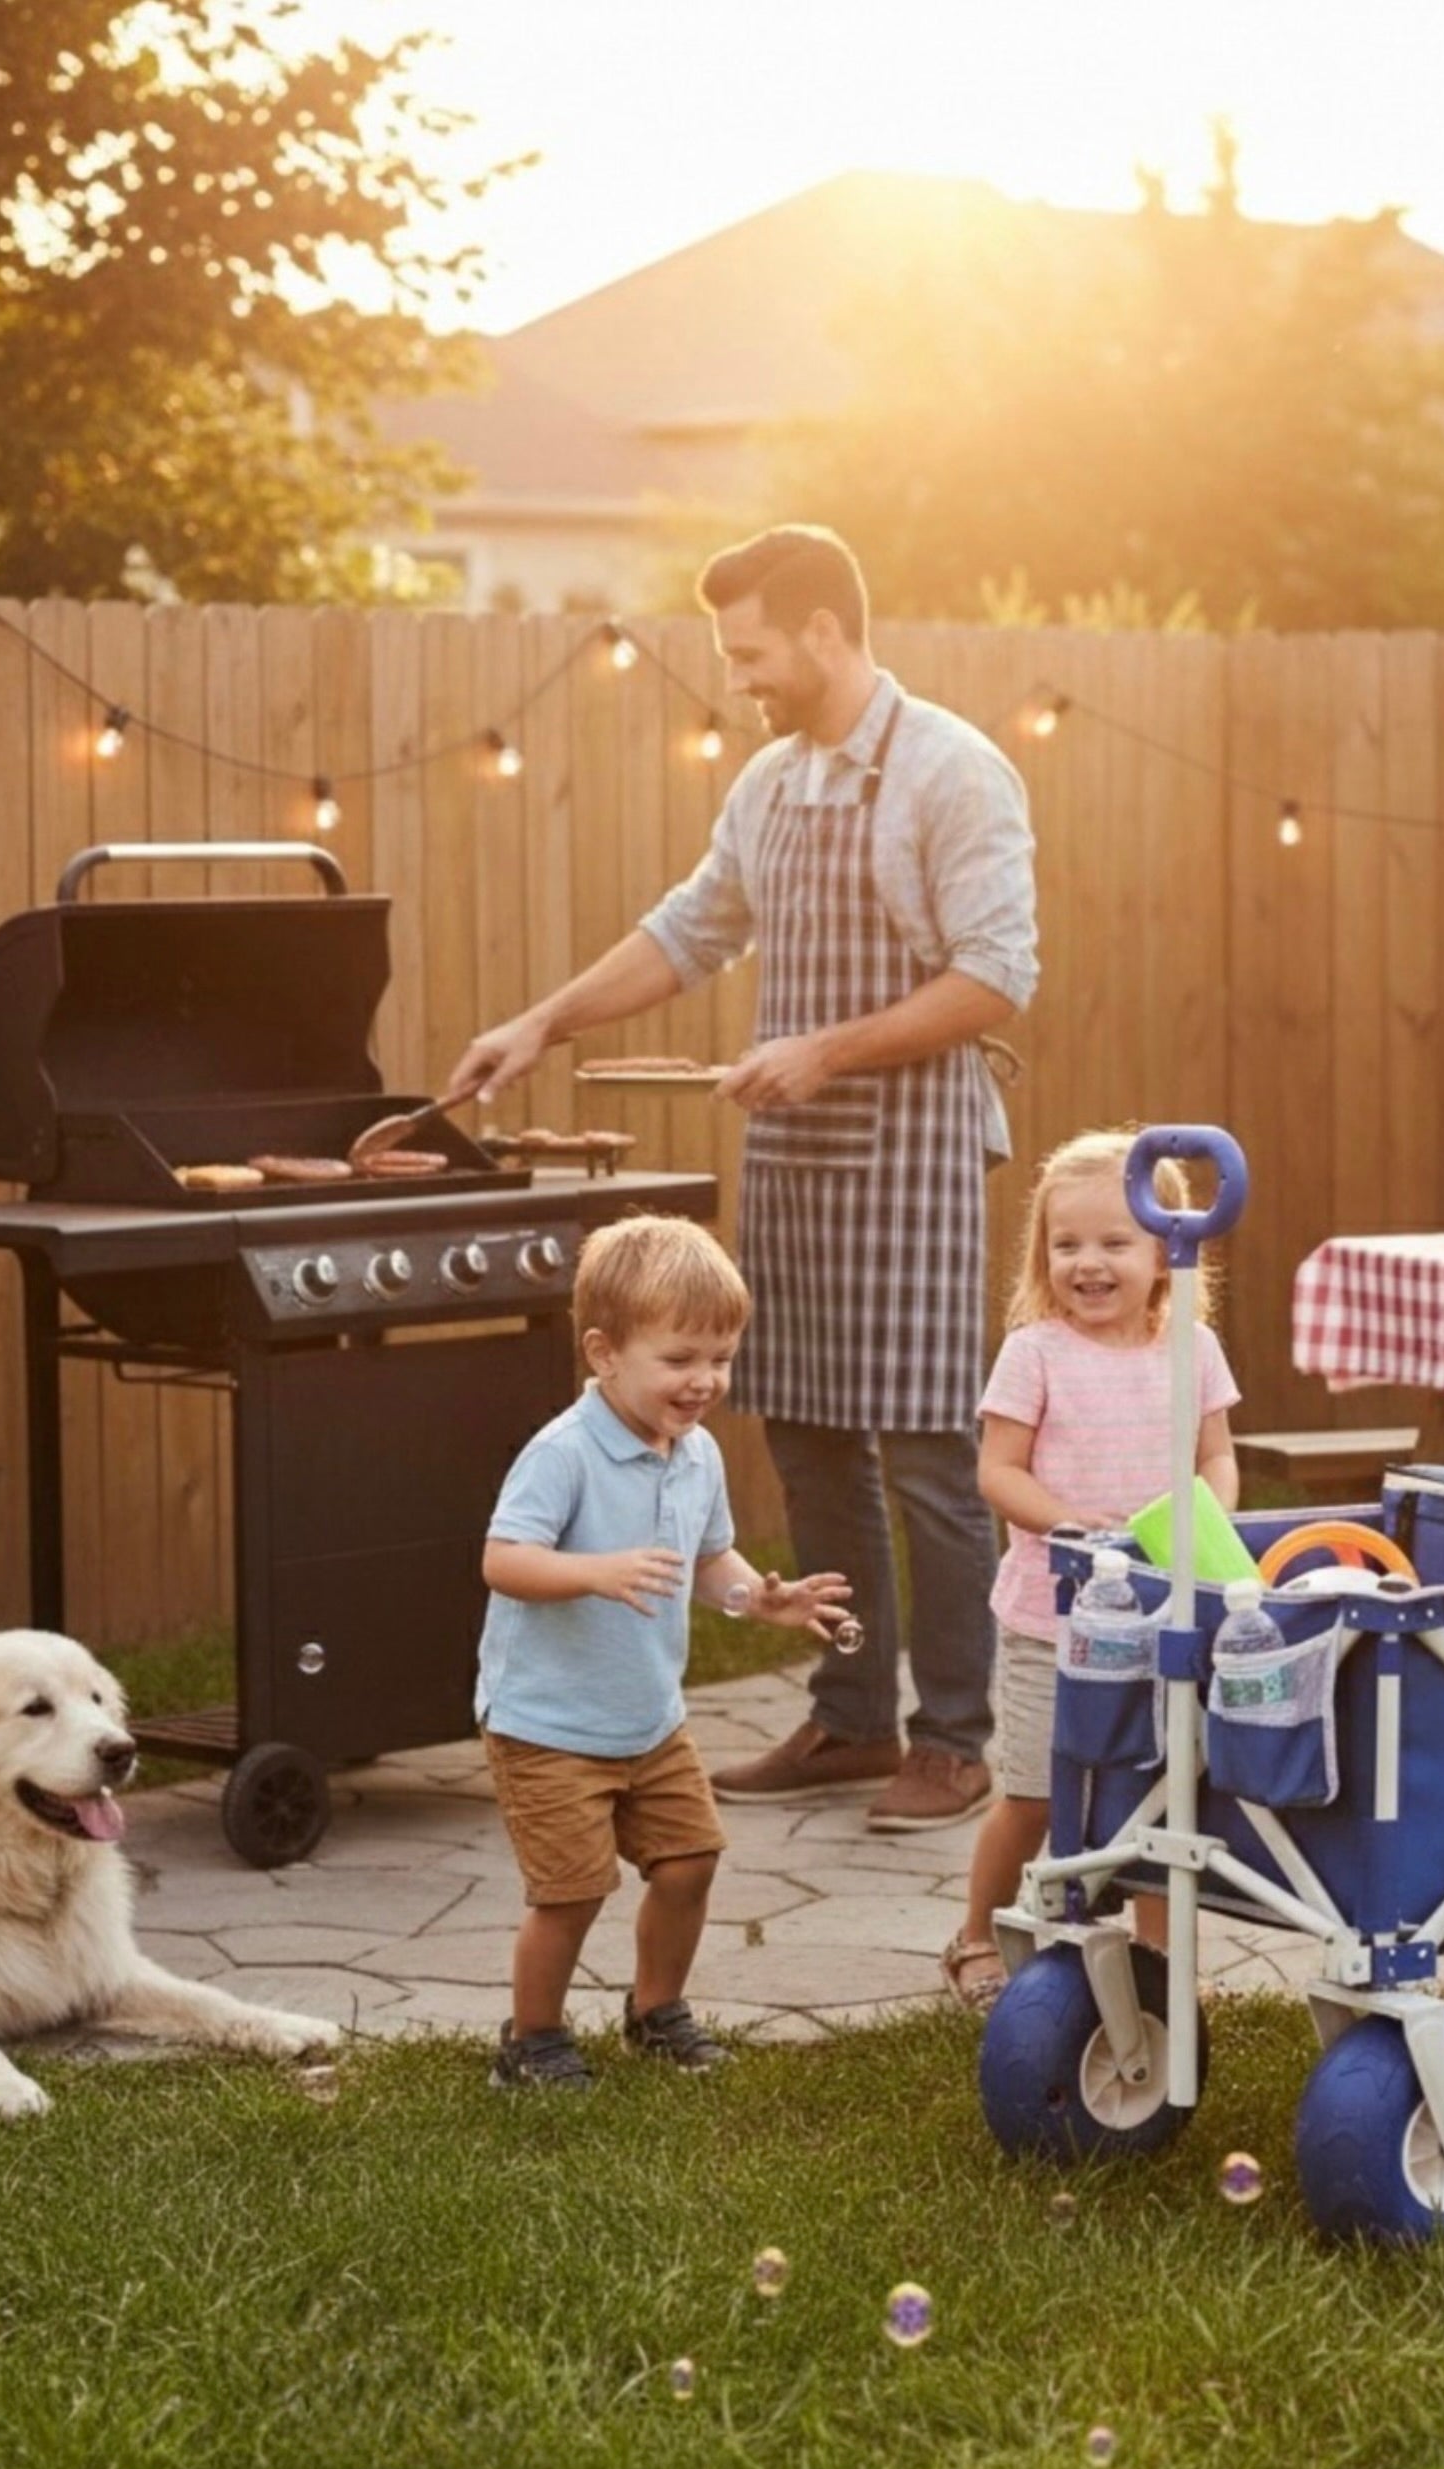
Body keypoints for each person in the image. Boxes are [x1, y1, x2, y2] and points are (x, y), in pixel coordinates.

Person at [446, 525, 1037, 1836]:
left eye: (755, 652)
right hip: (797, 1157)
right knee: (814, 1443)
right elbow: (690, 930)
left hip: (917, 1149)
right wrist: (544, 1024)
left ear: (826, 632)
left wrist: (827, 1047)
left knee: (934, 1457)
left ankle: (952, 1736)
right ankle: (849, 1716)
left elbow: (997, 974)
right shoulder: (769, 785)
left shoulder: (954, 770)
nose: (744, 678)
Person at [478, 1212, 851, 2090]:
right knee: (569, 1892)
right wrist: (593, 1571)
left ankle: (655, 2013)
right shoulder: (562, 1454)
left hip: (649, 1719)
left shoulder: (696, 1453)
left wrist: (759, 1598)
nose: (704, 1381)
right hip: (550, 1725)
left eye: (719, 1358)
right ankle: (530, 2042)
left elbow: (710, 1559)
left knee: (690, 1862)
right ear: (605, 1353)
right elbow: (503, 1561)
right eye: (679, 1360)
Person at [941, 1131, 1241, 2011]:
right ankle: (974, 1935)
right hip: (1052, 1619)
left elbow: (1216, 1457)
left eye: (1115, 1242)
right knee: (1034, 1793)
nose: (1089, 1263)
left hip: (1159, 1620)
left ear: (1165, 1253)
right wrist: (1069, 1523)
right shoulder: (1035, 1352)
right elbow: (998, 1472)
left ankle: (1159, 1965)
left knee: (1158, 1798)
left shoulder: (1191, 1348)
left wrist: (1199, 1516)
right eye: (1067, 1244)